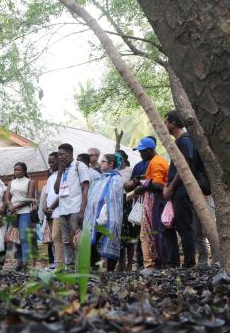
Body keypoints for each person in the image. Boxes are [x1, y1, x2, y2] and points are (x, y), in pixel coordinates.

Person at [162, 110, 203, 268]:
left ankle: (189, 264)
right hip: (176, 191)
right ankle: (175, 263)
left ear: (173, 123)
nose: (164, 125)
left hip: (182, 191)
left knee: (185, 228)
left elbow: (184, 168)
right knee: (171, 227)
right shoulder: (179, 141)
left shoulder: (185, 140)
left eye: (166, 122)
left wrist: (171, 188)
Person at [131, 137, 168, 275]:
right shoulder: (155, 161)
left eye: (142, 151)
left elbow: (158, 185)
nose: (140, 154)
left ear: (149, 150)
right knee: (148, 233)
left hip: (156, 200)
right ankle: (152, 263)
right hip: (153, 200)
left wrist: (143, 184)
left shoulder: (157, 162)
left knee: (149, 234)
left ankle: (151, 264)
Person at [84, 154, 124, 272]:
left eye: (103, 161)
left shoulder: (117, 179)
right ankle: (94, 267)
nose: (100, 163)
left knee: (110, 241)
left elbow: (114, 197)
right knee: (92, 241)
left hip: (110, 217)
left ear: (111, 164)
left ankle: (110, 271)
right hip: (96, 218)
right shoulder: (100, 179)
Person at [54, 143, 90, 269]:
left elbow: (86, 188)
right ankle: (69, 265)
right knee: (65, 239)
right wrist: (59, 171)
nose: (60, 157)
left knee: (77, 239)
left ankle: (80, 266)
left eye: (62, 154)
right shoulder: (62, 169)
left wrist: (82, 210)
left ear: (70, 153)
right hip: (63, 210)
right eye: (58, 155)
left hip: (76, 208)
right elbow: (56, 190)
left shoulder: (79, 166)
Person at [5, 162, 36, 271]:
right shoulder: (11, 183)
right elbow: (7, 197)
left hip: (24, 212)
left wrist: (15, 207)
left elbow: (29, 199)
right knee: (16, 238)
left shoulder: (30, 182)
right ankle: (19, 262)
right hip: (13, 213)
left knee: (23, 238)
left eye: (18, 170)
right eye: (15, 169)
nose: (16, 171)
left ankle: (25, 263)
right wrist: (10, 205)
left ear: (24, 171)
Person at [44, 152, 63, 270]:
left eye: (52, 162)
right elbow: (48, 194)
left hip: (59, 211)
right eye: (49, 162)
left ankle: (60, 265)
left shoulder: (63, 175)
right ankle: (58, 263)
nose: (50, 164)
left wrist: (52, 207)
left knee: (57, 237)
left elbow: (61, 195)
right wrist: (45, 207)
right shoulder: (51, 177)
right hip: (50, 212)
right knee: (54, 238)